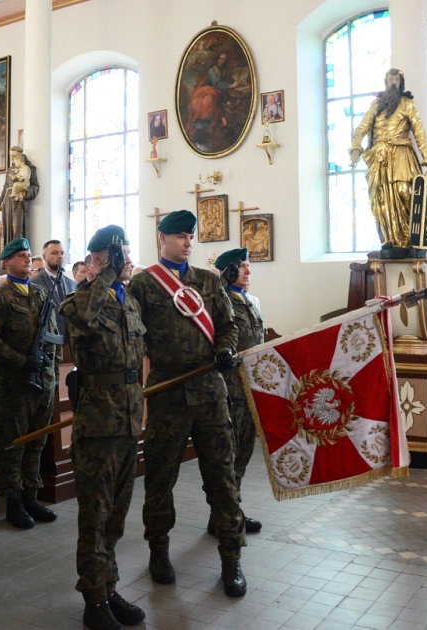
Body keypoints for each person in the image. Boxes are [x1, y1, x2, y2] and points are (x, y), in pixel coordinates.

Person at [127, 210, 247, 597]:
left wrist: (226, 349)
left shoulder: (209, 282)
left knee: (223, 479)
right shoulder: (144, 285)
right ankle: (158, 550)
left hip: (210, 390)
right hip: (168, 392)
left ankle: (232, 558)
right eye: (180, 235)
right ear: (161, 237)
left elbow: (227, 326)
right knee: (161, 476)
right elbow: (130, 334)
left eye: (190, 236)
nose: (188, 242)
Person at [60, 225, 147, 630]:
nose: (127, 261)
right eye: (119, 255)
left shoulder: (127, 303)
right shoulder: (79, 301)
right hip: (98, 427)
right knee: (94, 517)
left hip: (128, 423)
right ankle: (93, 600)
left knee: (116, 516)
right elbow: (81, 321)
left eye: (126, 254)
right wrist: (106, 275)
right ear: (99, 259)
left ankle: (109, 587)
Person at [0, 238, 60, 529]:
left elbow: (52, 337)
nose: (27, 259)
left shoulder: (40, 293)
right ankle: (13, 502)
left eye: (28, 255)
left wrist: (54, 374)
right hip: (14, 384)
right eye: (21, 256)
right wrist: (19, 360)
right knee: (14, 446)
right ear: (7, 262)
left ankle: (31, 496)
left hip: (44, 381)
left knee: (37, 443)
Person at [349, 69, 427, 251]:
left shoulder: (407, 104)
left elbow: (419, 132)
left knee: (405, 192)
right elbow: (361, 128)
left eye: (397, 79)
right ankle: (388, 240)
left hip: (401, 153)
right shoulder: (376, 106)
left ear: (401, 82)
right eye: (390, 79)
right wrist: (355, 149)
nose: (393, 82)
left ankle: (409, 240)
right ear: (385, 82)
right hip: (379, 157)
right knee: (380, 199)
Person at [213, 248, 264, 535]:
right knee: (228, 454)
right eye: (240, 267)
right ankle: (225, 515)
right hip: (230, 390)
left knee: (243, 453)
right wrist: (221, 281)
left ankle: (231, 510)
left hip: (250, 388)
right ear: (228, 271)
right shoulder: (221, 300)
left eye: (248, 267)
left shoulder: (249, 302)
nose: (247, 272)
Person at [0, 147, 39, 244]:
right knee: (8, 229)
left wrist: (25, 189)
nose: (12, 158)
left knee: (17, 229)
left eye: (14, 156)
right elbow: (6, 187)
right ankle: (9, 256)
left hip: (19, 201)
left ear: (20, 155)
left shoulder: (29, 169)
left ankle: (19, 253)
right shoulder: (10, 170)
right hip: (8, 201)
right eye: (10, 156)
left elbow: (35, 187)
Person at [32, 240, 77, 337]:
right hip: (48, 339)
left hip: (71, 339)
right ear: (44, 256)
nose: (60, 256)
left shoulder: (72, 284)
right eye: (54, 253)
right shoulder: (35, 283)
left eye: (62, 253)